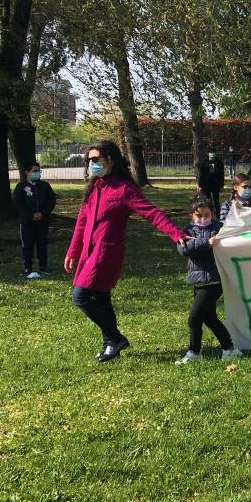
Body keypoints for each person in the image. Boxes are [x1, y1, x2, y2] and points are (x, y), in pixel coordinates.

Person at [65, 140, 186, 363]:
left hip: (106, 253)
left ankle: (115, 337)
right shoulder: (94, 187)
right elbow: (82, 221)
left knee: (80, 296)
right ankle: (110, 343)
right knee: (101, 298)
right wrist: (73, 251)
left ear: (110, 160)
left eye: (95, 160)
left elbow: (152, 213)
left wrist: (176, 234)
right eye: (89, 161)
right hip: (88, 252)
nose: (91, 165)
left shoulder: (124, 189)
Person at [175, 195, 239, 365]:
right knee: (209, 317)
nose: (203, 219)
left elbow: (233, 236)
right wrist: (207, 243)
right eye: (199, 216)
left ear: (213, 214)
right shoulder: (187, 232)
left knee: (194, 318)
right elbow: (183, 249)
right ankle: (229, 348)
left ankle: (194, 351)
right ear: (192, 216)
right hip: (197, 282)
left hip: (213, 281)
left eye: (207, 215)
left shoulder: (218, 229)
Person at [14, 161, 57, 278]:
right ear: (27, 172)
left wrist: (43, 213)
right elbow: (18, 204)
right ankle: (28, 267)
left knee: (42, 244)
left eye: (39, 171)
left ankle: (43, 266)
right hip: (27, 222)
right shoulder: (21, 187)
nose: (37, 173)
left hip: (43, 221)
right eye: (34, 171)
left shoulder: (45, 186)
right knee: (27, 245)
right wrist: (30, 215)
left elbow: (51, 201)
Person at [196, 150, 226, 217]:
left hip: (216, 184)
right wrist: (200, 185)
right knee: (208, 200)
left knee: (216, 200)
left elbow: (222, 174)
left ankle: (218, 215)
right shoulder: (204, 163)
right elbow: (201, 175)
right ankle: (209, 214)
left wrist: (222, 185)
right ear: (208, 153)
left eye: (213, 152)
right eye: (210, 152)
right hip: (207, 184)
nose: (212, 154)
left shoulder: (219, 162)